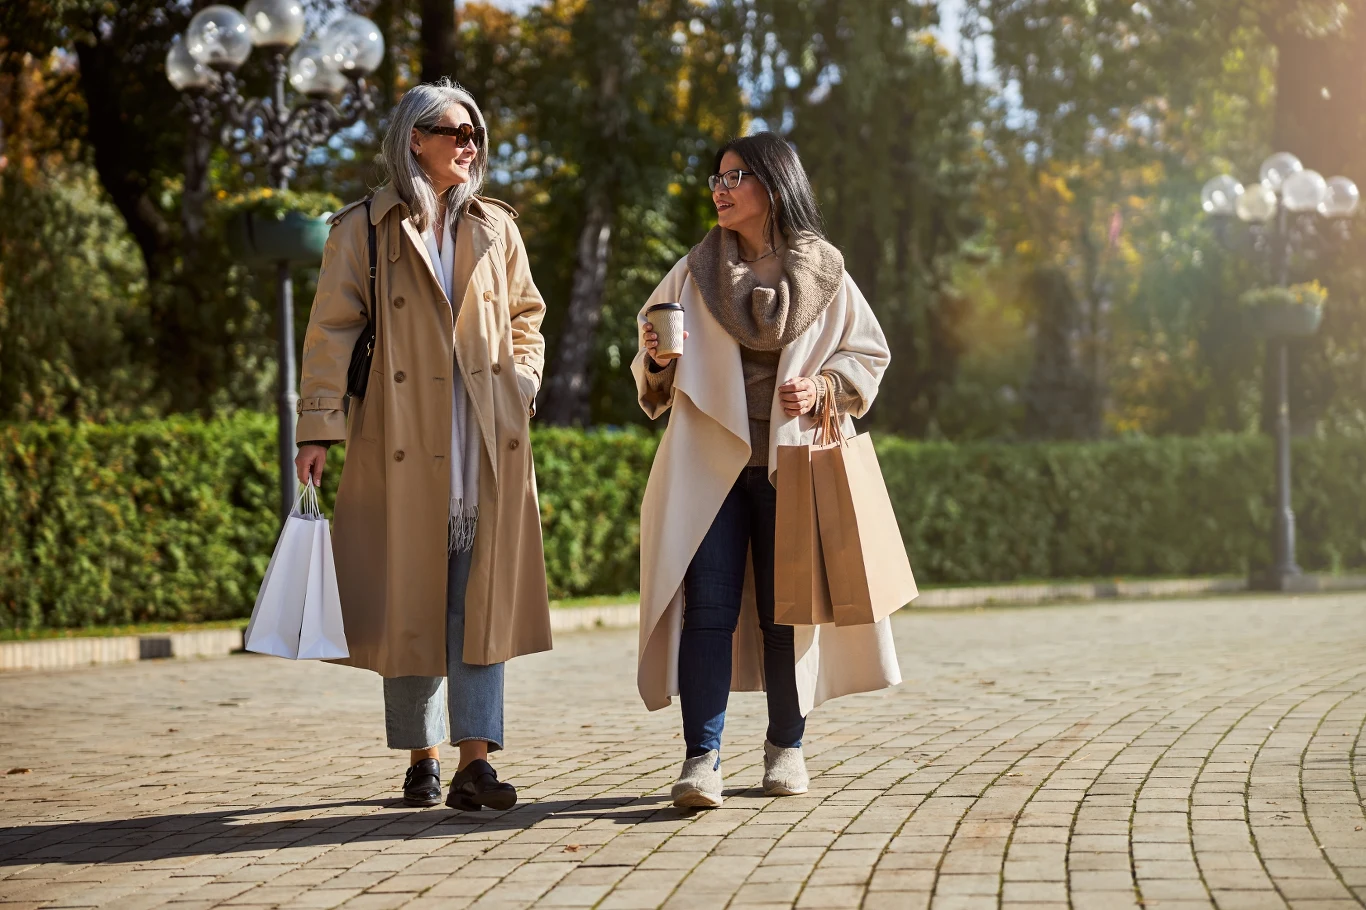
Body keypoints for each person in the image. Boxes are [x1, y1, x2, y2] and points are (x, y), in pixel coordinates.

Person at [294, 79, 551, 812]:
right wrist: (318, 427)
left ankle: (476, 762)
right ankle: (422, 754)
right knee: (411, 597)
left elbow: (527, 315)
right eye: (455, 132)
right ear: (415, 138)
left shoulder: (496, 227)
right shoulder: (363, 228)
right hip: (401, 432)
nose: (470, 144)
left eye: (476, 134)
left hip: (484, 436)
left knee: (479, 599)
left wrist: (523, 381)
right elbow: (331, 330)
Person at [633, 132, 902, 808]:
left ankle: (787, 747)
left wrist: (824, 387)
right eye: (717, 178)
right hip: (710, 467)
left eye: (736, 177)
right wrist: (656, 361)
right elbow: (649, 354)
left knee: (788, 614)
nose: (720, 190)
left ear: (775, 185)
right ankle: (701, 761)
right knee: (708, 611)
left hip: (794, 465)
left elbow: (868, 353)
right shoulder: (694, 270)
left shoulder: (825, 271)